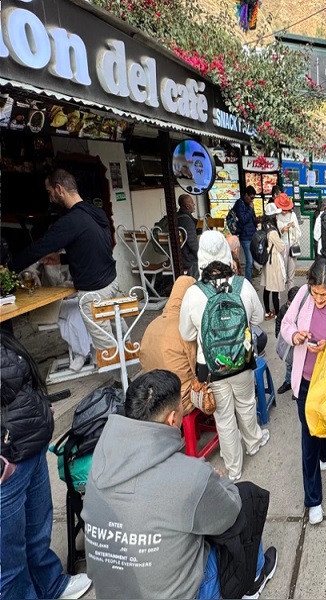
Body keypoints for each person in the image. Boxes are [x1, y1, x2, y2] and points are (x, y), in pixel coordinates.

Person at [81, 370, 277, 599]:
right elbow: (230, 511)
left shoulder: (101, 462)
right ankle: (254, 579)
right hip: (182, 594)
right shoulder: (189, 475)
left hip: (112, 593)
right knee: (245, 499)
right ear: (172, 419)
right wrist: (216, 481)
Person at [1, 331, 93, 600]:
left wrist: (41, 405)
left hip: (31, 446)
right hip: (7, 465)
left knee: (37, 533)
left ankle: (50, 584)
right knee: (9, 561)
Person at [179, 231, 268, 481]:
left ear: (202, 257)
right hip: (242, 362)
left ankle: (234, 468)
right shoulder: (243, 285)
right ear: (227, 254)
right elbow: (259, 318)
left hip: (210, 369)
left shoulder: (193, 293)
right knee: (246, 404)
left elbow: (186, 333)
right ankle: (253, 443)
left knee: (224, 417)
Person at [10, 169, 120, 356]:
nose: (50, 198)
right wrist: (61, 258)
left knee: (107, 351)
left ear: (59, 189)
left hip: (94, 293)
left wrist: (8, 269)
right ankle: (128, 367)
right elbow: (98, 248)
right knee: (120, 336)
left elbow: (39, 249)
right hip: (112, 284)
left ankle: (118, 374)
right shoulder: (96, 212)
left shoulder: (70, 221)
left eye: (49, 192)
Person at [280, 258, 326, 524]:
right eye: (315, 293)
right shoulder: (303, 295)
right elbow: (286, 325)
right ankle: (313, 500)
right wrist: (295, 336)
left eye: (324, 294)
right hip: (305, 381)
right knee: (309, 438)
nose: (319, 299)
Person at [139, 275, 197, 415]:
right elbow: (197, 366)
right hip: (180, 399)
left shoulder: (152, 324)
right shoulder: (186, 327)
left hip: (153, 398)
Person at [259, 203, 286, 320]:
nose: (277, 216)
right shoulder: (273, 231)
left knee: (267, 287)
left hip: (266, 260)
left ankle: (267, 312)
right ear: (273, 216)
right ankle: (277, 314)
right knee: (275, 288)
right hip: (273, 261)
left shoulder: (264, 226)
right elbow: (281, 247)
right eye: (276, 214)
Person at [275, 285, 301, 395]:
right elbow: (278, 321)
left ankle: (297, 387)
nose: (290, 307)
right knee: (288, 364)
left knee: (298, 366)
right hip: (287, 343)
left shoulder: (303, 312)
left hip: (299, 345)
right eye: (289, 304)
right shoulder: (283, 309)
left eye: (292, 305)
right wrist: (278, 334)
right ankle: (288, 381)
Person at [274, 192, 300, 290]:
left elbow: (298, 233)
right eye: (282, 209)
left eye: (286, 209)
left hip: (292, 245)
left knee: (291, 272)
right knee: (281, 271)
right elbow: (274, 234)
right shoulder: (276, 216)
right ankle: (279, 293)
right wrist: (282, 230)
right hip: (281, 246)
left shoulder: (293, 215)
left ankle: (291, 293)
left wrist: (293, 227)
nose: (284, 212)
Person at [233, 186, 258, 280]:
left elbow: (252, 219)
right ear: (246, 195)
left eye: (253, 198)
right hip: (245, 236)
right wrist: (251, 209)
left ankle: (249, 279)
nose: (252, 200)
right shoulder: (240, 204)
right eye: (251, 197)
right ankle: (248, 282)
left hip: (252, 235)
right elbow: (243, 219)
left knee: (251, 260)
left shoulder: (248, 204)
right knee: (249, 261)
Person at [176, 194, 200, 278]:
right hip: (187, 260)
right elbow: (193, 245)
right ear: (187, 206)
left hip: (175, 258)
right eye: (192, 202)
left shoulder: (176, 217)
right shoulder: (187, 221)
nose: (194, 204)